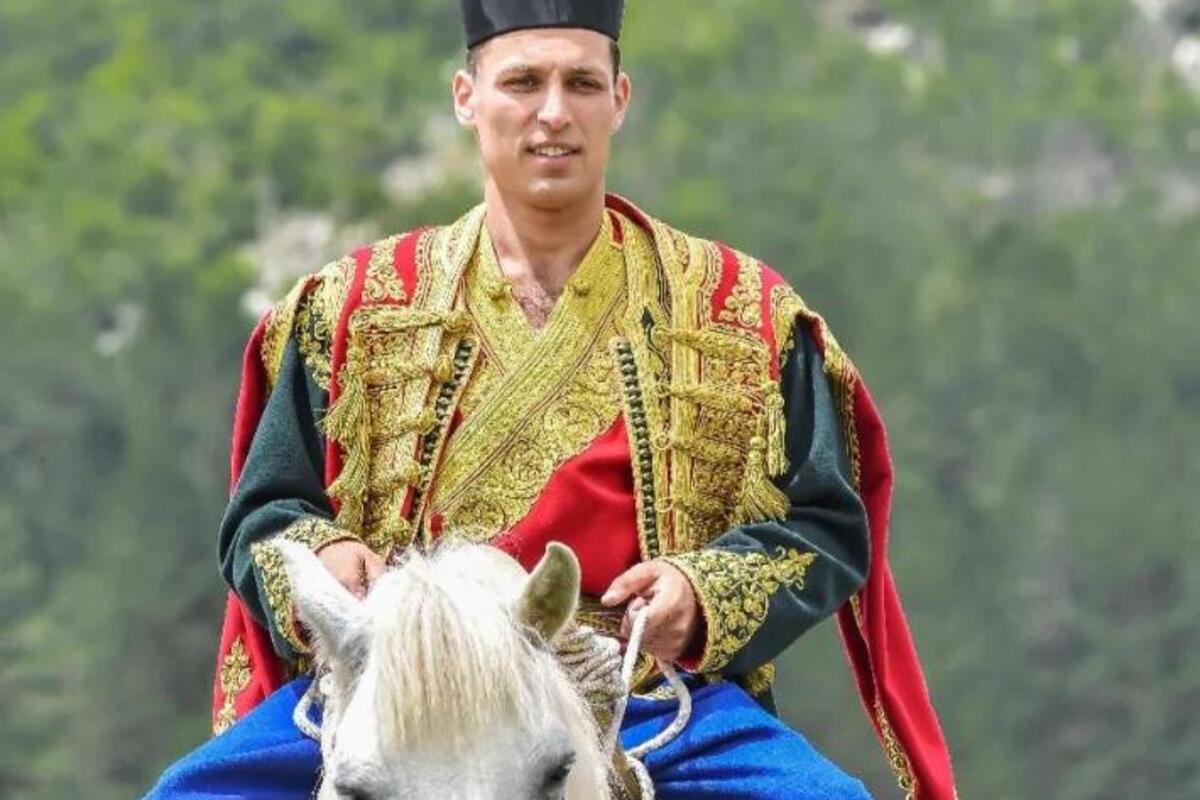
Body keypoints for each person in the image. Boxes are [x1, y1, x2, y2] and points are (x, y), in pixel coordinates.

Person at [148, 1, 957, 798]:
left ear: (620, 100)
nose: (554, 113)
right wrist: (324, 558)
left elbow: (826, 522)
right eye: (523, 82)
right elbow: (264, 515)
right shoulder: (351, 306)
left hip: (643, 697)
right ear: (467, 97)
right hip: (401, 696)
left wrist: (702, 592)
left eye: (581, 83)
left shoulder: (741, 310)